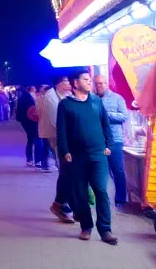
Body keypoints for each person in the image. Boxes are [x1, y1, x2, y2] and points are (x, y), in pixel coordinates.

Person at [57, 70, 118, 245]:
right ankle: (86, 226)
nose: (89, 82)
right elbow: (61, 131)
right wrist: (64, 151)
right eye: (85, 79)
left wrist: (109, 145)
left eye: (89, 79)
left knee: (101, 190)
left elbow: (105, 124)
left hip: (98, 155)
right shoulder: (66, 105)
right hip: (77, 157)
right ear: (75, 83)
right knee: (80, 192)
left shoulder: (96, 101)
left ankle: (105, 229)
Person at [41, 74, 74, 222]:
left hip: (68, 138)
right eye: (67, 81)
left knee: (68, 172)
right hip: (60, 138)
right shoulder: (51, 96)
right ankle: (61, 204)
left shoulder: (65, 95)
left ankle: (66, 203)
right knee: (66, 171)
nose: (70, 83)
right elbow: (56, 122)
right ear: (60, 83)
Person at [94, 74, 129, 207]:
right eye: (97, 84)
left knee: (118, 170)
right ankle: (102, 199)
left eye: (102, 83)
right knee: (100, 171)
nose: (100, 86)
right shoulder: (92, 99)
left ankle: (120, 199)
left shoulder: (117, 98)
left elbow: (124, 116)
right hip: (98, 140)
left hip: (115, 140)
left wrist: (106, 115)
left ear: (107, 84)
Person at [16, 85, 39, 167]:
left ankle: (30, 158)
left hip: (27, 120)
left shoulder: (25, 96)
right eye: (34, 87)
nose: (35, 88)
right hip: (29, 120)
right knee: (33, 138)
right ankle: (32, 158)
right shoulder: (28, 97)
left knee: (31, 138)